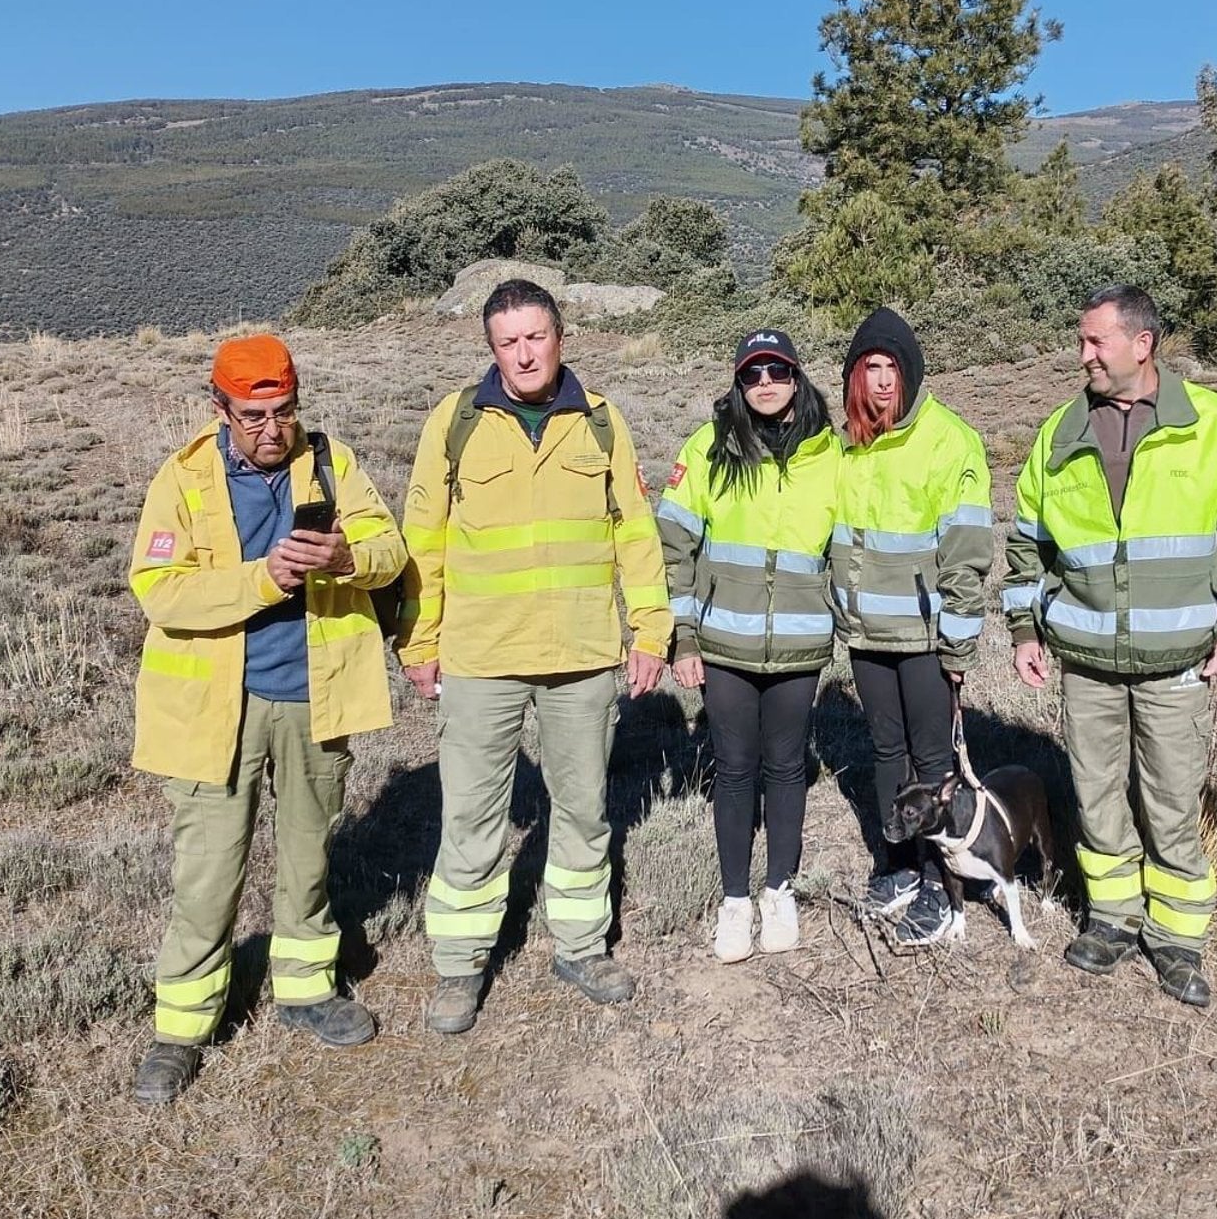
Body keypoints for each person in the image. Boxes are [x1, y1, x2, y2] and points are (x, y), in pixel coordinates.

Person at [127, 334, 404, 1105]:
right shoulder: (183, 477)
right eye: (253, 416)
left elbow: (390, 550)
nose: (272, 429)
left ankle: (307, 990)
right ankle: (182, 1030)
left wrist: (347, 558)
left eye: (284, 411)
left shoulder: (333, 464)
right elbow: (159, 588)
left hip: (315, 696)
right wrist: (264, 578)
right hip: (214, 710)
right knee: (208, 870)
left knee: (308, 854)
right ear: (219, 409)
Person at [398, 278, 671, 1035]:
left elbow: (635, 533)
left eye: (536, 337)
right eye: (508, 342)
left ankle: (581, 947)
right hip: (480, 657)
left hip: (581, 655)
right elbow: (424, 540)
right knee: (472, 815)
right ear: (492, 349)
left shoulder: (602, 423)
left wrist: (650, 630)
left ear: (560, 336)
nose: (524, 355)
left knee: (583, 810)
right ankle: (461, 966)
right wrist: (419, 641)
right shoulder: (455, 422)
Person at [1004, 285, 1217, 1008]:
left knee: (1171, 799)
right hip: (1087, 662)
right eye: (1082, 341)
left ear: (1142, 343)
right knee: (1096, 795)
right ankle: (1112, 919)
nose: (1084, 355)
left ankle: (1178, 940)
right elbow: (1028, 543)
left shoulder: (1213, 426)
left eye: (1095, 341)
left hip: (1179, 660)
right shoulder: (1060, 432)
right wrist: (1026, 629)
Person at [657, 330, 841, 961]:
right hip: (724, 642)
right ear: (738, 383)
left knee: (787, 767)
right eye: (752, 374)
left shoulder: (830, 454)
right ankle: (735, 900)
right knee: (734, 769)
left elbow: (848, 548)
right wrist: (683, 638)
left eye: (777, 371)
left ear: (797, 377)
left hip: (800, 643)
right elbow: (674, 548)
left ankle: (778, 890)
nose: (765, 383)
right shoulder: (709, 447)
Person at [835, 307, 994, 946]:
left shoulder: (949, 440)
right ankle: (899, 864)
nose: (881, 381)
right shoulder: (846, 444)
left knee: (932, 761)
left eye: (892, 368)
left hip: (926, 637)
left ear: (911, 373)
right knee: (884, 750)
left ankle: (939, 882)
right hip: (867, 634)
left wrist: (959, 641)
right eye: (870, 367)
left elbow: (966, 552)